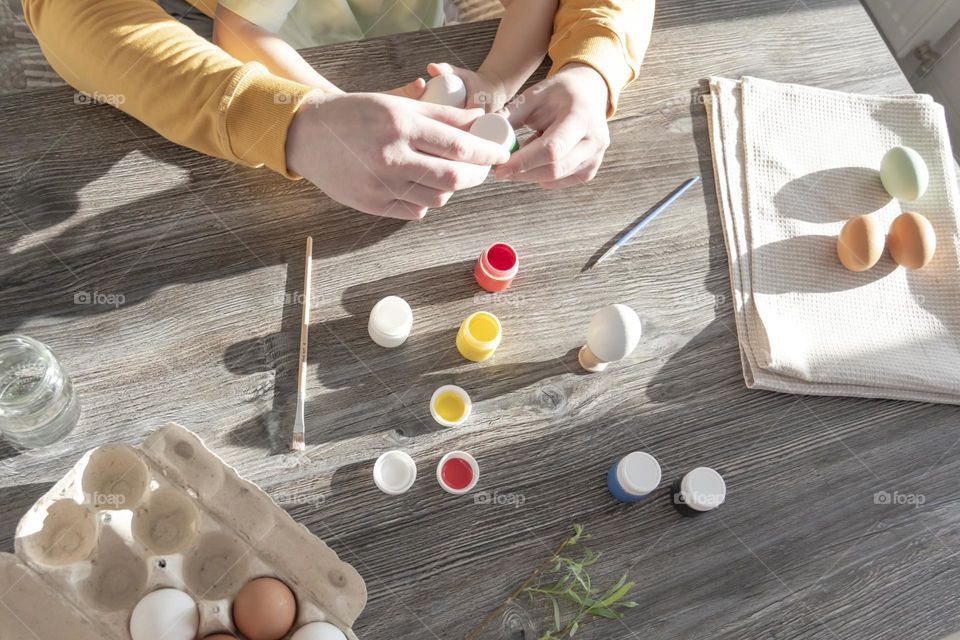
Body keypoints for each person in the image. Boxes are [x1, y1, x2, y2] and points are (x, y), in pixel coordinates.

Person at [22, 0, 654, 218]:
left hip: (397, 32)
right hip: (244, 51)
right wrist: (306, 117)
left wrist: (590, 68)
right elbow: (243, 26)